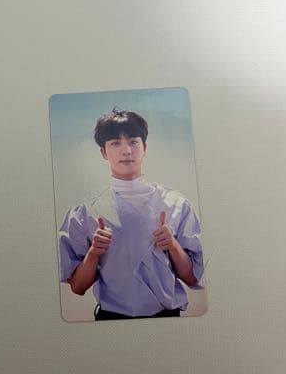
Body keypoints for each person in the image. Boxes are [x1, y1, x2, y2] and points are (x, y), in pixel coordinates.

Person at [58, 108, 204, 320]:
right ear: (103, 152)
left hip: (167, 320)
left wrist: (172, 245)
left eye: (133, 142)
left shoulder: (176, 205)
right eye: (115, 143)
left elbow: (192, 278)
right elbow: (78, 287)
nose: (126, 150)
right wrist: (93, 253)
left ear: (145, 148)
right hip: (112, 321)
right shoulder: (86, 212)